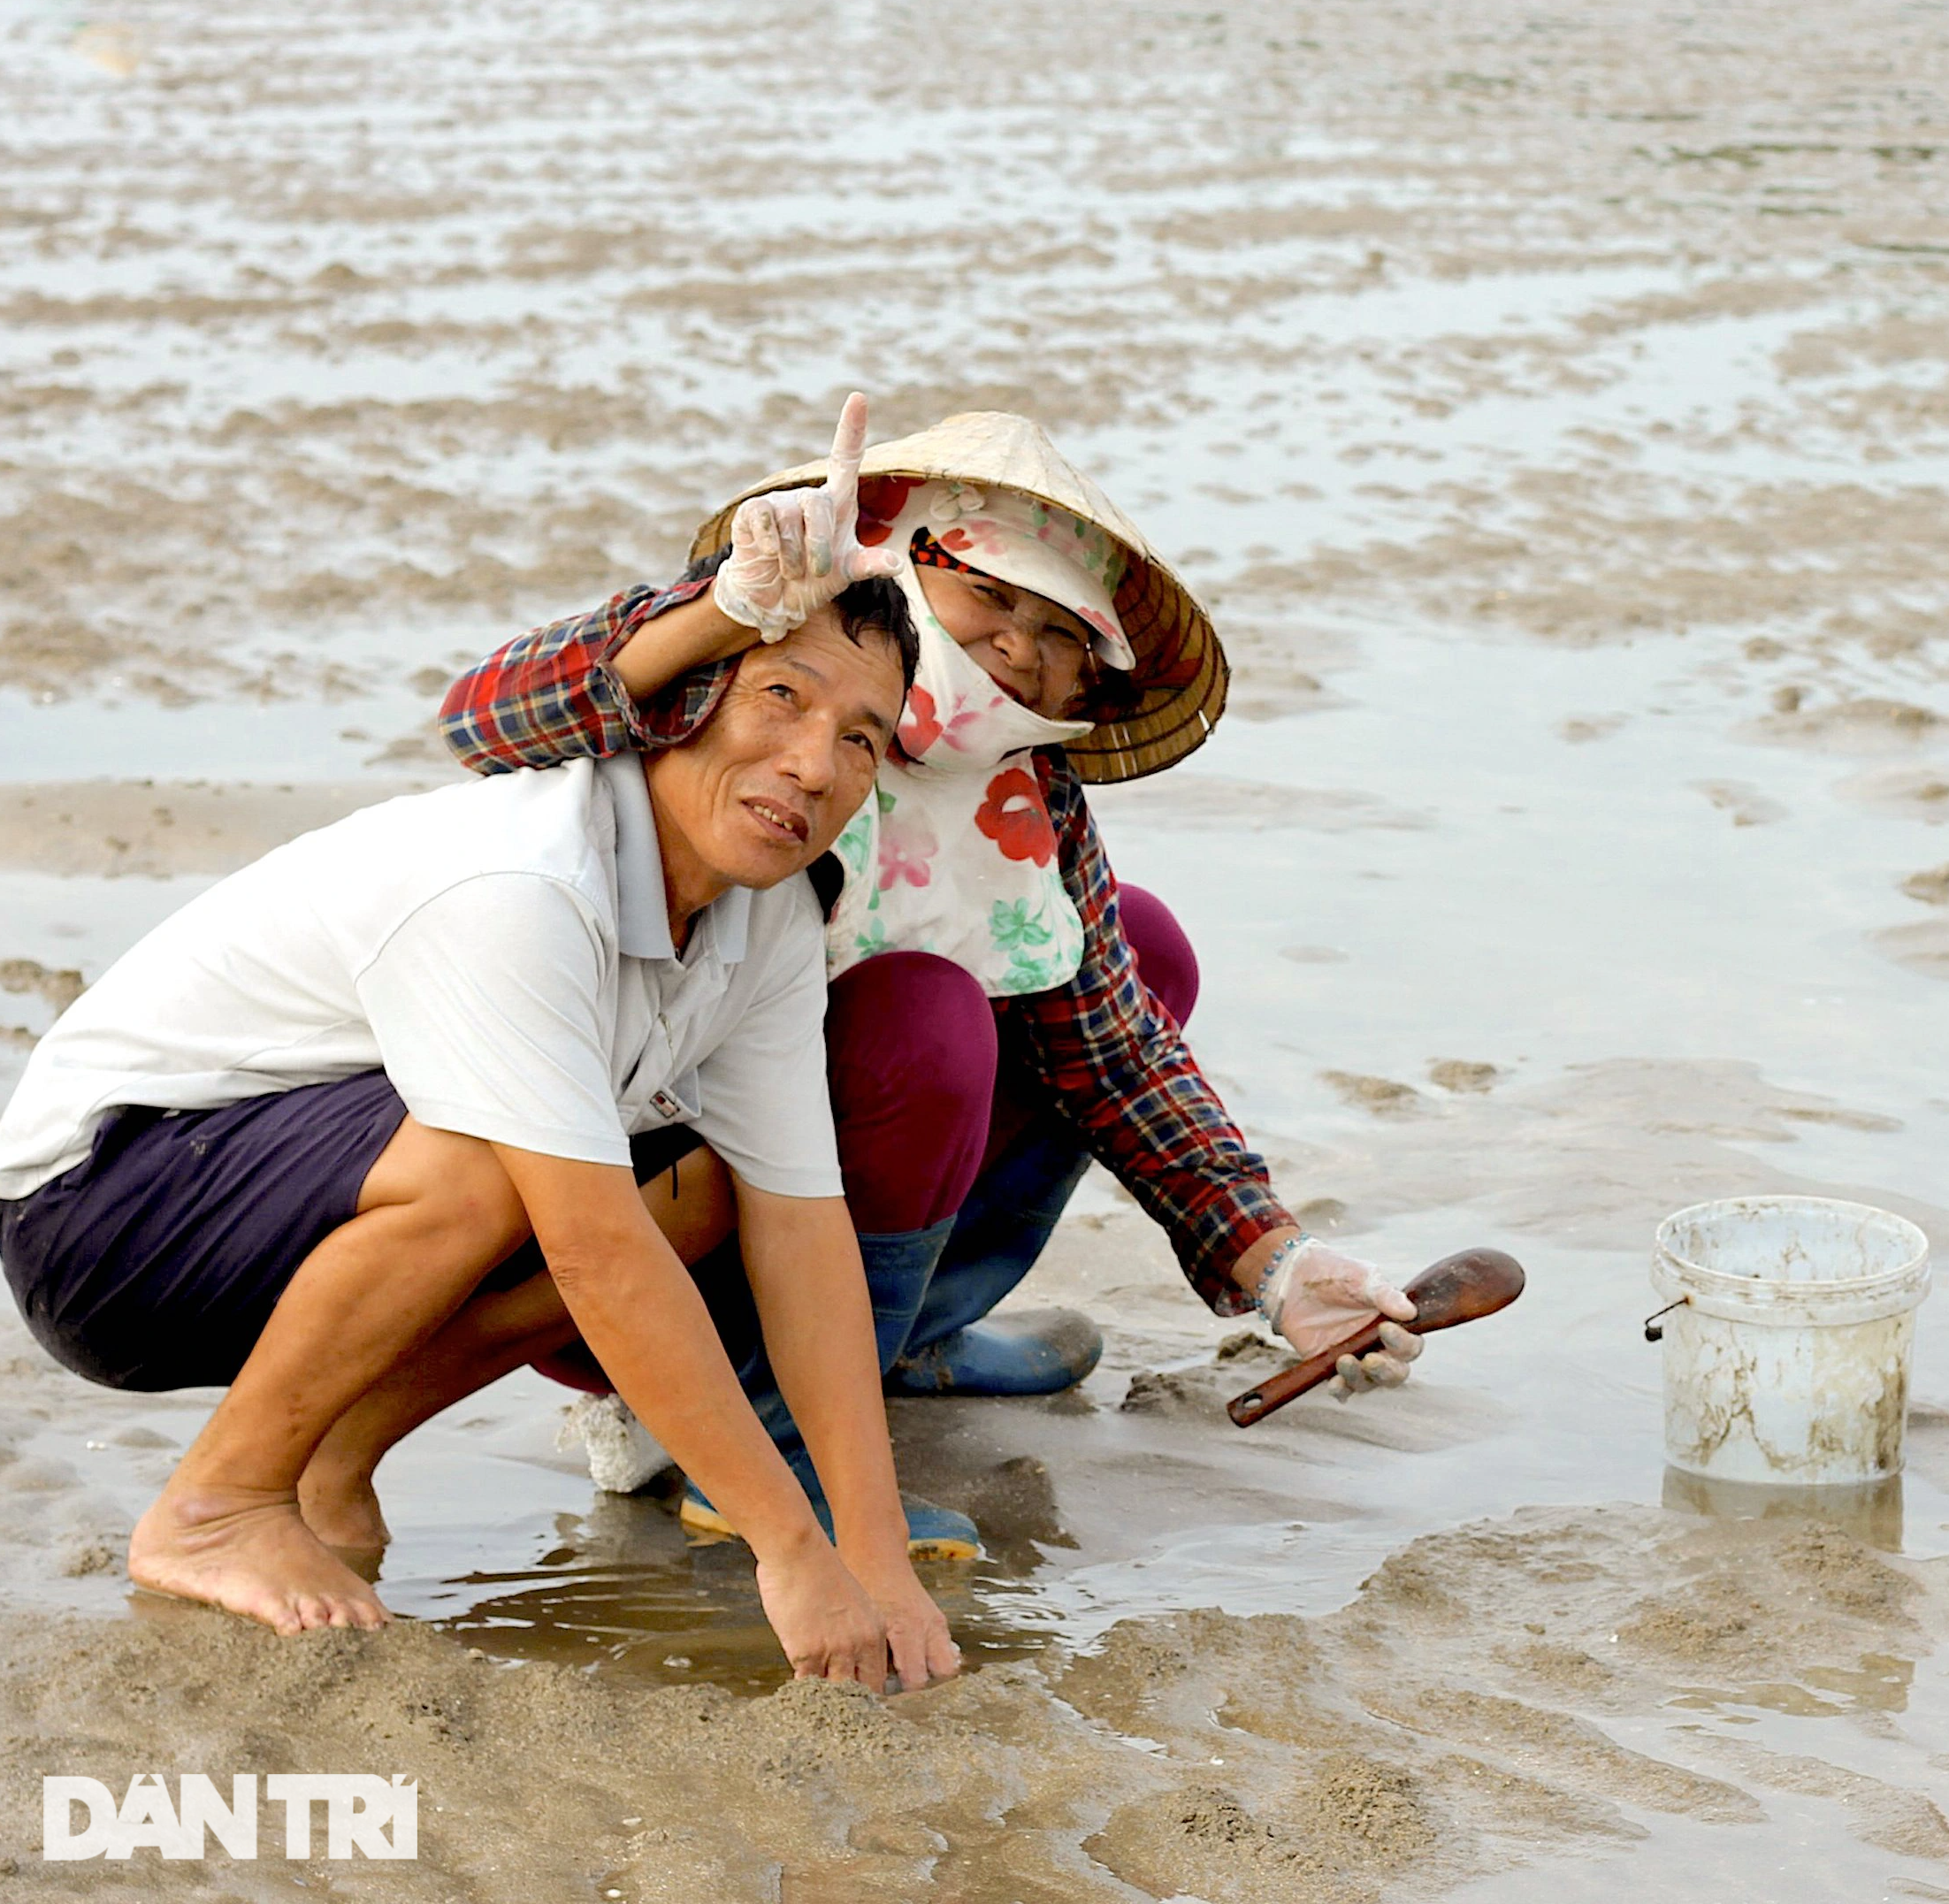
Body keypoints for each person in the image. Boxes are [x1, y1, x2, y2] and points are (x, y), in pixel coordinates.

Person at [438, 397, 1426, 1559]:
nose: (1020, 645)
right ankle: (758, 1424)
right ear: (900, 570)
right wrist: (718, 612)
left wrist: (1275, 1264)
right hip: (618, 1220)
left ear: (1086, 693)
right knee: (927, 1011)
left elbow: (1117, 1052)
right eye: (990, 595)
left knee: (1138, 949)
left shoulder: (1028, 800)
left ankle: (891, 1344)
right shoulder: (749, 673)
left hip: (813, 1197)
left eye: (1066, 636)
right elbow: (483, 718)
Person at [0, 578, 964, 1689]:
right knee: (500, 1165)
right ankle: (217, 1505)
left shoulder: (771, 915)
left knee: (704, 1188)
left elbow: (802, 1227)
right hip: (102, 1219)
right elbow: (593, 1251)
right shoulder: (525, 878)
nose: (813, 764)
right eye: (780, 698)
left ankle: (331, 1457)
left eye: (860, 738)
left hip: (302, 1202)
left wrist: (876, 1559)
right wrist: (788, 1550)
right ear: (681, 703)